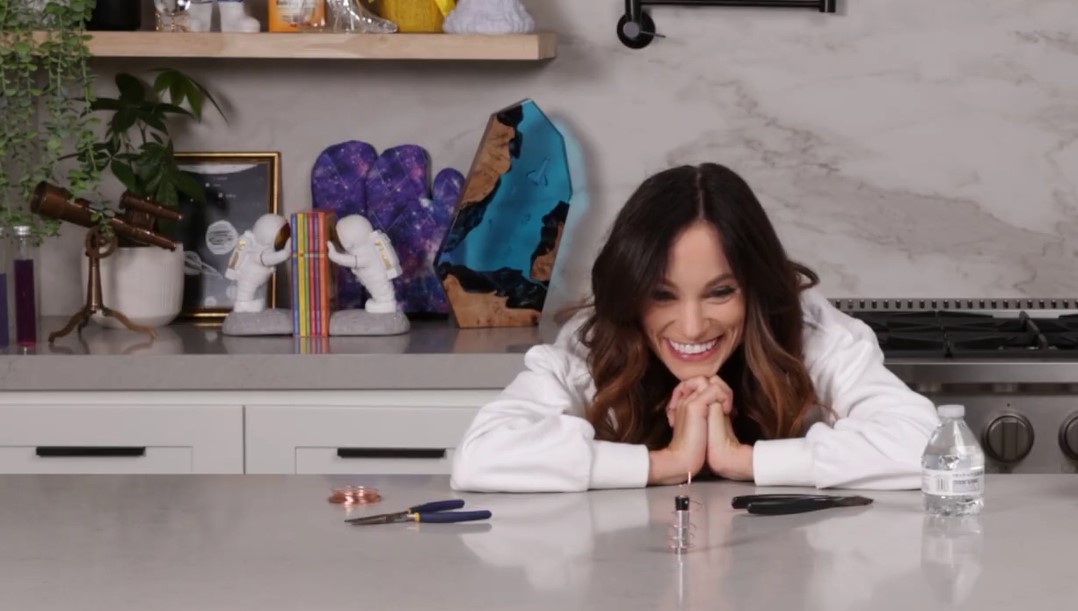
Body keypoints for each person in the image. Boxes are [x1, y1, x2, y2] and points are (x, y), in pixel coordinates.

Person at [449, 162, 939, 493]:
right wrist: (666, 463)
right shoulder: (594, 340)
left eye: (720, 292)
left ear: (755, 287)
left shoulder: (812, 331)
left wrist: (743, 460)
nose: (691, 326)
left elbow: (930, 448)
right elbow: (481, 455)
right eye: (662, 295)